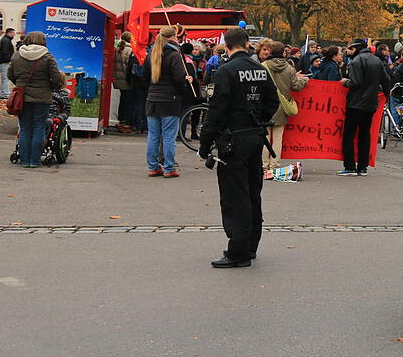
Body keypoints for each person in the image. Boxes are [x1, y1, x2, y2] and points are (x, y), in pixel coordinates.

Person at [198, 26, 279, 268]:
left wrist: (205, 142)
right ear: (247, 44)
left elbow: (216, 110)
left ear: (227, 46)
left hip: (233, 140)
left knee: (235, 196)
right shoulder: (260, 69)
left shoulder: (226, 71)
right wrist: (258, 120)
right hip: (255, 137)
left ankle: (238, 251)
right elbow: (273, 101)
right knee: (253, 192)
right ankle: (251, 246)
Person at [8, 31, 66, 168]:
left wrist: (20, 84)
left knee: (25, 128)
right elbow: (56, 78)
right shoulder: (47, 57)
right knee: (39, 128)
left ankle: (24, 160)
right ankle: (34, 161)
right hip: (42, 98)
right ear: (43, 41)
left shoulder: (17, 56)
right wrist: (50, 87)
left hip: (22, 98)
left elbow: (10, 74)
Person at [338, 38, 391, 176]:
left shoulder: (356, 61)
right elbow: (386, 80)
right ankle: (363, 167)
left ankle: (350, 166)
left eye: (350, 49)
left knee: (349, 135)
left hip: (355, 103)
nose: (349, 51)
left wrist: (345, 82)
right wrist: (386, 96)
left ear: (356, 48)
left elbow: (356, 82)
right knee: (364, 135)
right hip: (371, 104)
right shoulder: (377, 60)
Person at [145, 26, 193, 178]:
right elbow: (179, 78)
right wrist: (185, 83)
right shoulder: (174, 55)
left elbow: (144, 76)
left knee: (153, 135)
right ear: (173, 37)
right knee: (169, 136)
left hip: (153, 98)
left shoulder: (151, 54)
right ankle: (169, 167)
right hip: (170, 100)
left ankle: (153, 166)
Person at [262, 42, 309, 170]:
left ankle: (264, 165)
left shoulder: (263, 66)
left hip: (265, 106)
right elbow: (296, 86)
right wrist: (304, 80)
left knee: (265, 137)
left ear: (270, 52)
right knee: (278, 138)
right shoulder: (289, 68)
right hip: (281, 106)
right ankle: (275, 165)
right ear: (283, 53)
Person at [113, 32, 137, 133]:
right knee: (128, 102)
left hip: (119, 79)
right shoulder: (130, 50)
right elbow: (130, 67)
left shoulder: (118, 49)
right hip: (127, 80)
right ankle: (126, 121)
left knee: (123, 100)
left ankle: (121, 119)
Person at [0, 28, 17, 98]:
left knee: (4, 78)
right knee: (6, 78)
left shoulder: (5, 39)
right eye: (13, 33)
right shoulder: (6, 41)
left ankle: (2, 93)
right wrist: (8, 60)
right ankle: (6, 93)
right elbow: (5, 52)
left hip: (3, 61)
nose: (14, 35)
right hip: (4, 62)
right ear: (9, 33)